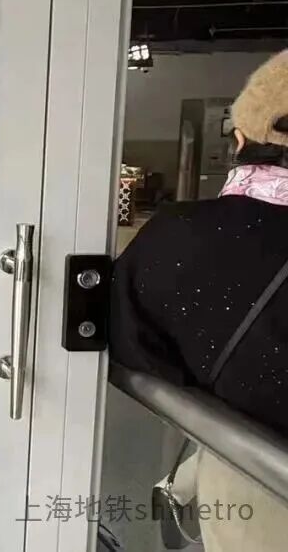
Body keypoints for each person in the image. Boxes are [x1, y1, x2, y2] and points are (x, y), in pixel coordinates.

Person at [110, 49, 288, 549]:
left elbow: (133, 345)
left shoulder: (180, 235)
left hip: (258, 477)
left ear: (239, 141)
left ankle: (180, 485)